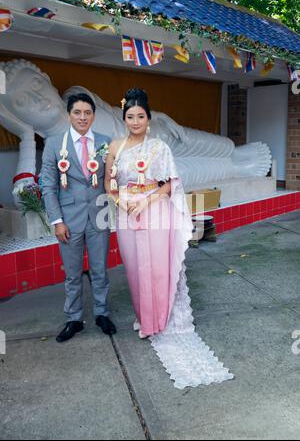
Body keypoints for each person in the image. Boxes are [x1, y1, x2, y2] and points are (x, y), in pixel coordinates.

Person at [105, 88, 234, 389]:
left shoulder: (160, 147)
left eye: (140, 116)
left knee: (159, 269)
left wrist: (146, 201)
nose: (135, 121)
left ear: (148, 118)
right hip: (127, 215)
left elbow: (170, 185)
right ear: (123, 119)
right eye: (130, 117)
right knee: (136, 270)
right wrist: (124, 203)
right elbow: (109, 185)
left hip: (156, 212)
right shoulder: (115, 147)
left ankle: (160, 320)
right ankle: (145, 319)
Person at [42, 92, 116, 342]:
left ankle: (102, 313)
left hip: (99, 215)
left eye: (87, 113)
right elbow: (48, 185)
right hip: (68, 219)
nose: (82, 117)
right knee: (72, 274)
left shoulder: (106, 142)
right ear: (69, 115)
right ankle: (73, 318)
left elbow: (113, 178)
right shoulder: (54, 143)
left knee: (100, 270)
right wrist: (56, 220)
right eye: (77, 112)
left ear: (93, 116)